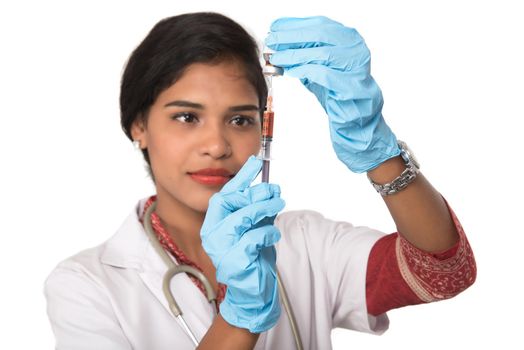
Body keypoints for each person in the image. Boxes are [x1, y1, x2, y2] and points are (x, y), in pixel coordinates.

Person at [44, 12, 477, 350]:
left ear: (264, 127)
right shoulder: (85, 284)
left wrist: (379, 155)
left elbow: (444, 271)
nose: (216, 145)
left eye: (239, 119)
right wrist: (240, 318)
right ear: (138, 125)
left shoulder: (306, 243)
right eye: (186, 117)